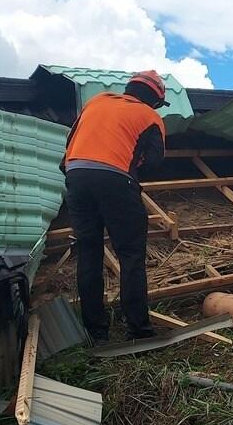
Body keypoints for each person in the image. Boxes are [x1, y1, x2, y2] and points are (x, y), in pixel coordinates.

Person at [61, 70, 167, 342]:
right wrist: (129, 166)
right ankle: (138, 331)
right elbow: (154, 164)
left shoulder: (96, 101)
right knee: (131, 255)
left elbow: (69, 147)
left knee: (89, 252)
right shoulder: (150, 117)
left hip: (76, 174)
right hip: (115, 179)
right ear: (155, 100)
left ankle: (96, 333)